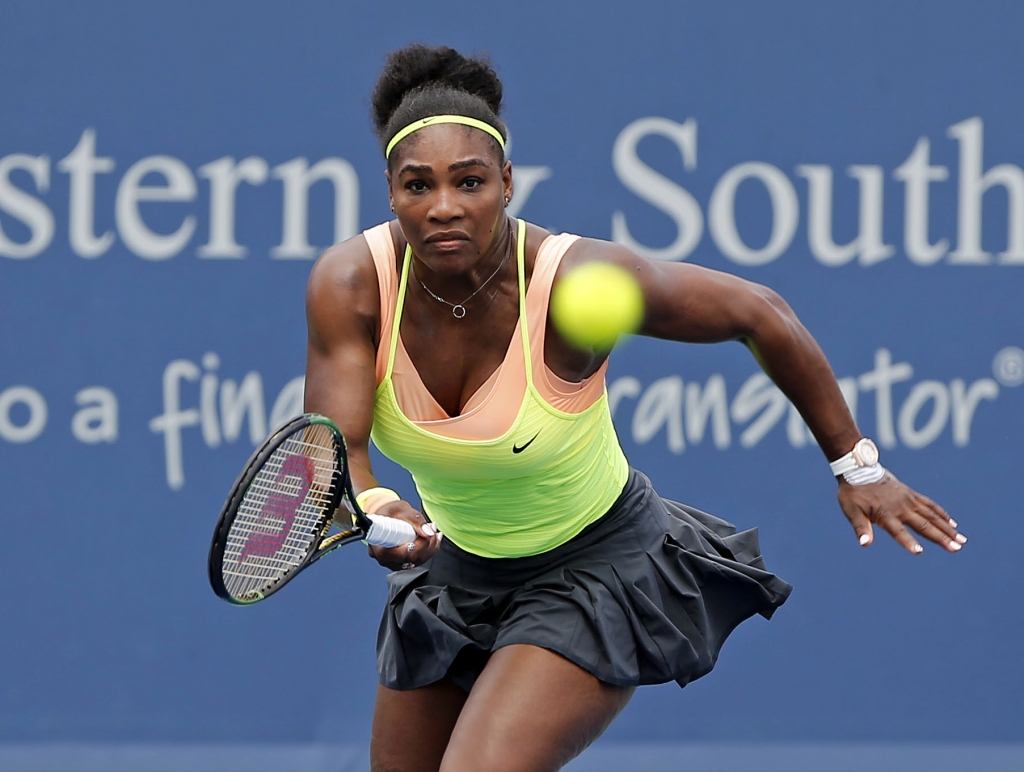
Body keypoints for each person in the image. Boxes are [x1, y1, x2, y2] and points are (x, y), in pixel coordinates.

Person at [303, 44, 966, 772]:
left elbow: (761, 313)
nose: (445, 207)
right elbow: (337, 451)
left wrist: (857, 466)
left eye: (470, 182)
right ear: (390, 193)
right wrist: (376, 507)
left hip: (597, 571)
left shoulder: (573, 286)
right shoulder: (351, 285)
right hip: (459, 575)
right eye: (417, 186)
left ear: (507, 183)